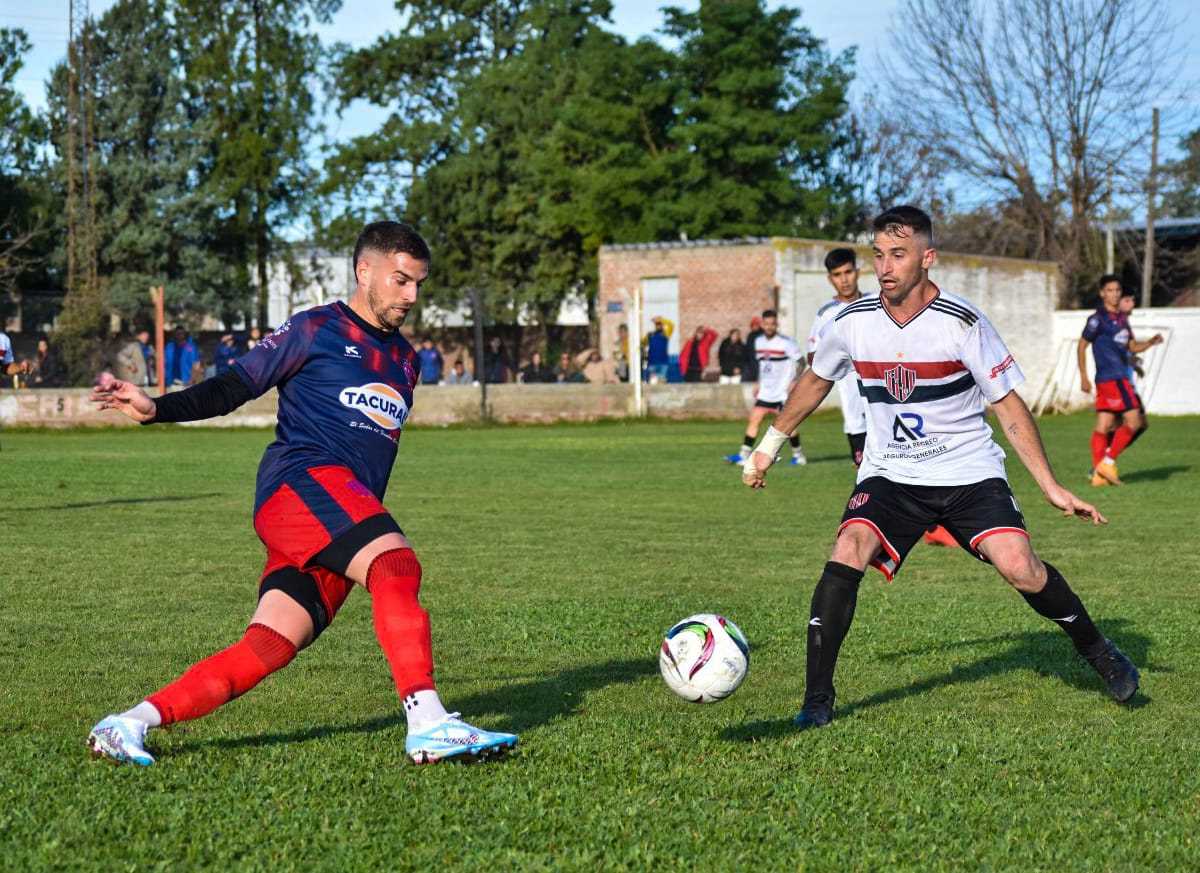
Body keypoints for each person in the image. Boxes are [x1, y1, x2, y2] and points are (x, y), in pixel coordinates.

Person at [85, 220, 517, 766]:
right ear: (365, 272)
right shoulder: (315, 328)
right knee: (396, 566)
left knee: (269, 645)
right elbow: (233, 386)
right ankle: (428, 721)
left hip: (339, 511)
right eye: (401, 280)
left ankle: (127, 724)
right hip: (302, 483)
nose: (411, 296)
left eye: (418, 285)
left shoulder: (405, 360)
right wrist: (158, 409)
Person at [741, 205, 1139, 729]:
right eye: (878, 254)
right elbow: (816, 380)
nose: (885, 267)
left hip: (968, 471)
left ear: (927, 258)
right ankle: (817, 700)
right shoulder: (852, 322)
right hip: (891, 474)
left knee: (1021, 568)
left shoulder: (963, 323)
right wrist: (769, 443)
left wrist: (1051, 486)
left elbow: (1009, 406)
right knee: (847, 548)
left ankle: (1099, 651)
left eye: (898, 255)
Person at [1076, 277, 1163, 486]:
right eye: (1110, 290)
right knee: (1135, 422)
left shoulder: (1122, 320)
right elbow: (1081, 345)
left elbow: (1132, 347)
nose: (1115, 294)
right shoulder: (1098, 319)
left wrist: (1150, 342)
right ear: (1102, 293)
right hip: (1113, 378)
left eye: (1117, 290)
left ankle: (1098, 476)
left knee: (1104, 425)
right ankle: (1107, 463)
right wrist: (1084, 377)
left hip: (1112, 379)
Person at [807, 248, 869, 466]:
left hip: (888, 405)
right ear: (830, 279)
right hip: (856, 414)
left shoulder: (876, 304)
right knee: (865, 475)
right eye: (837, 275)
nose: (844, 280)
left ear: (857, 272)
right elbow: (812, 358)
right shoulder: (826, 314)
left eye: (848, 272)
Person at [723, 310, 806, 466]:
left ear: (776, 325)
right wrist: (758, 383)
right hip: (766, 392)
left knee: (788, 424)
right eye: (766, 324)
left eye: (772, 324)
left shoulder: (786, 343)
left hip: (782, 392)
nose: (769, 327)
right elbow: (763, 365)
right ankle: (744, 455)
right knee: (754, 419)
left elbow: (801, 362)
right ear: (762, 324)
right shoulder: (759, 341)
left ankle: (799, 455)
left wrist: (794, 382)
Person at [643, 316, 673, 383]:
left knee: (661, 383)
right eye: (657, 324)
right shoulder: (650, 334)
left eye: (660, 324)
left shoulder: (666, 333)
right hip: (652, 364)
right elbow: (643, 342)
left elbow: (671, 325)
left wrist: (661, 319)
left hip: (663, 364)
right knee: (653, 383)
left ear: (662, 325)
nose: (658, 326)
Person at [742, 316, 764, 383]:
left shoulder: (763, 334)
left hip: (761, 360)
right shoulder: (750, 335)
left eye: (756, 325)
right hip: (751, 361)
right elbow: (748, 348)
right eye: (753, 325)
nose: (755, 327)